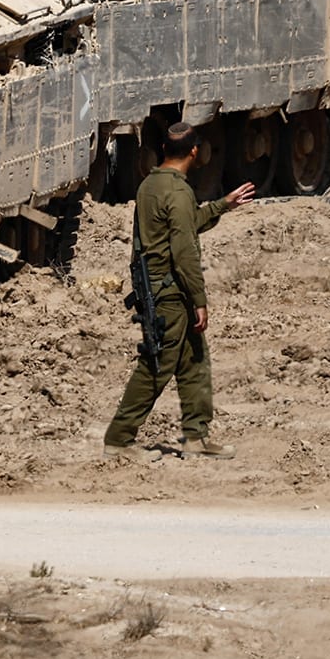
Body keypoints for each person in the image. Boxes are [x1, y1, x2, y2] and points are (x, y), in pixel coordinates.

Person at [104, 122, 256, 459]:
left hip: (162, 289)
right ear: (194, 152)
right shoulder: (177, 191)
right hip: (171, 293)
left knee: (194, 361)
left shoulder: (151, 185)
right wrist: (200, 300)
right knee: (156, 366)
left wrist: (222, 205)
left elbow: (182, 227)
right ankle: (119, 440)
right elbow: (184, 250)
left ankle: (196, 437)